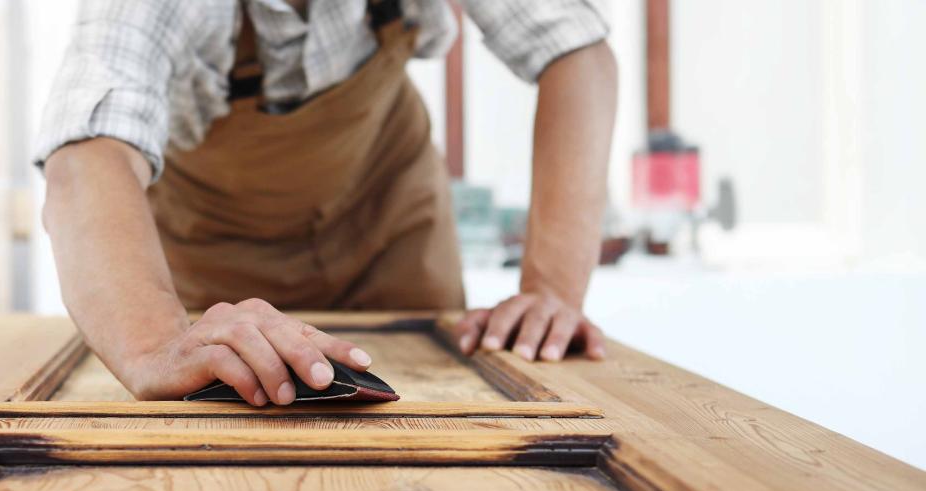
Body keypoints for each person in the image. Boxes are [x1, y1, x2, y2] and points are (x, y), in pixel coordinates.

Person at [37, 0, 616, 405]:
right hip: (213, 248)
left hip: (390, 217)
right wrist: (153, 345)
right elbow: (88, 155)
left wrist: (551, 292)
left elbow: (576, 53)